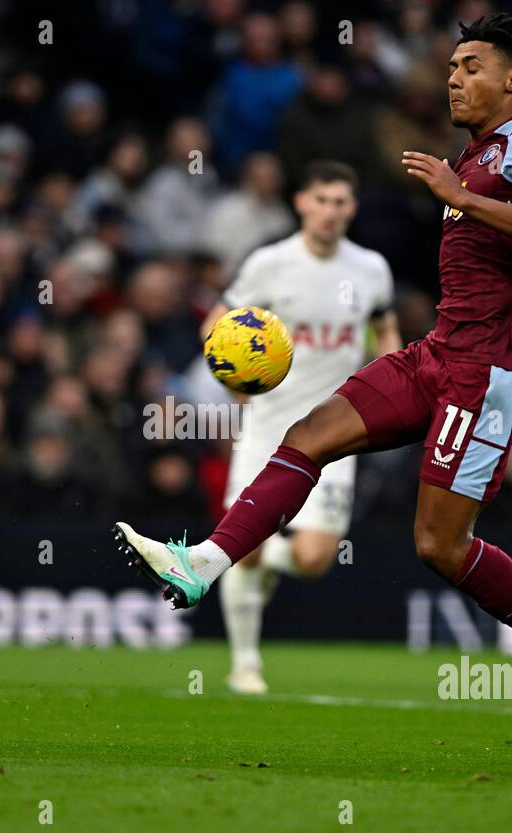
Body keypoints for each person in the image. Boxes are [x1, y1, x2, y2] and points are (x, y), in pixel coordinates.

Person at [113, 14, 512, 740]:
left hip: (489, 372)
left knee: (439, 546)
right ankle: (205, 562)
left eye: (471, 66)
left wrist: (462, 196)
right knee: (309, 433)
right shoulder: (477, 155)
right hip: (438, 351)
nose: (453, 77)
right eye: (449, 66)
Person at [200, 160, 401, 694]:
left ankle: (264, 564)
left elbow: (385, 332)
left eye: (341, 202)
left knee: (314, 557)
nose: (331, 211)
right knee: (242, 544)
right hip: (267, 426)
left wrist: (391, 385)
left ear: (352, 208)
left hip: (336, 427)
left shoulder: (371, 269)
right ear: (300, 203)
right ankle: (245, 665)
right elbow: (214, 326)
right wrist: (234, 382)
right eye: (322, 200)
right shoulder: (270, 264)